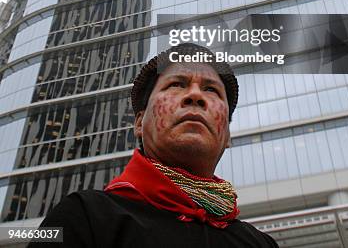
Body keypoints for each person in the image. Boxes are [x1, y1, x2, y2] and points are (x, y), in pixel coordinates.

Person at [29, 44, 279, 247]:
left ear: (226, 135)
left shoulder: (259, 243)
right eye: (176, 84)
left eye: (212, 90)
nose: (195, 95)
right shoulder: (82, 215)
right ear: (139, 122)